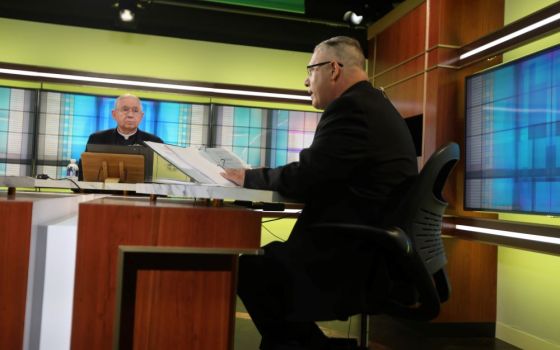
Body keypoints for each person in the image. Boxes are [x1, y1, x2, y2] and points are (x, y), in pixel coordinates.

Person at [221, 36, 418, 350]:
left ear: (334, 69)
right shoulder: (373, 105)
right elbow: (323, 172)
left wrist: (248, 176)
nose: (305, 81)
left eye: (310, 70)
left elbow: (307, 176)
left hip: (355, 254)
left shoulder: (352, 108)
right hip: (374, 246)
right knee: (266, 271)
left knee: (252, 271)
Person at [85, 93, 163, 146]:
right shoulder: (96, 140)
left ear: (141, 116)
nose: (130, 115)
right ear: (114, 114)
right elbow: (84, 168)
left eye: (135, 110)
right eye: (125, 109)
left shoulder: (155, 143)